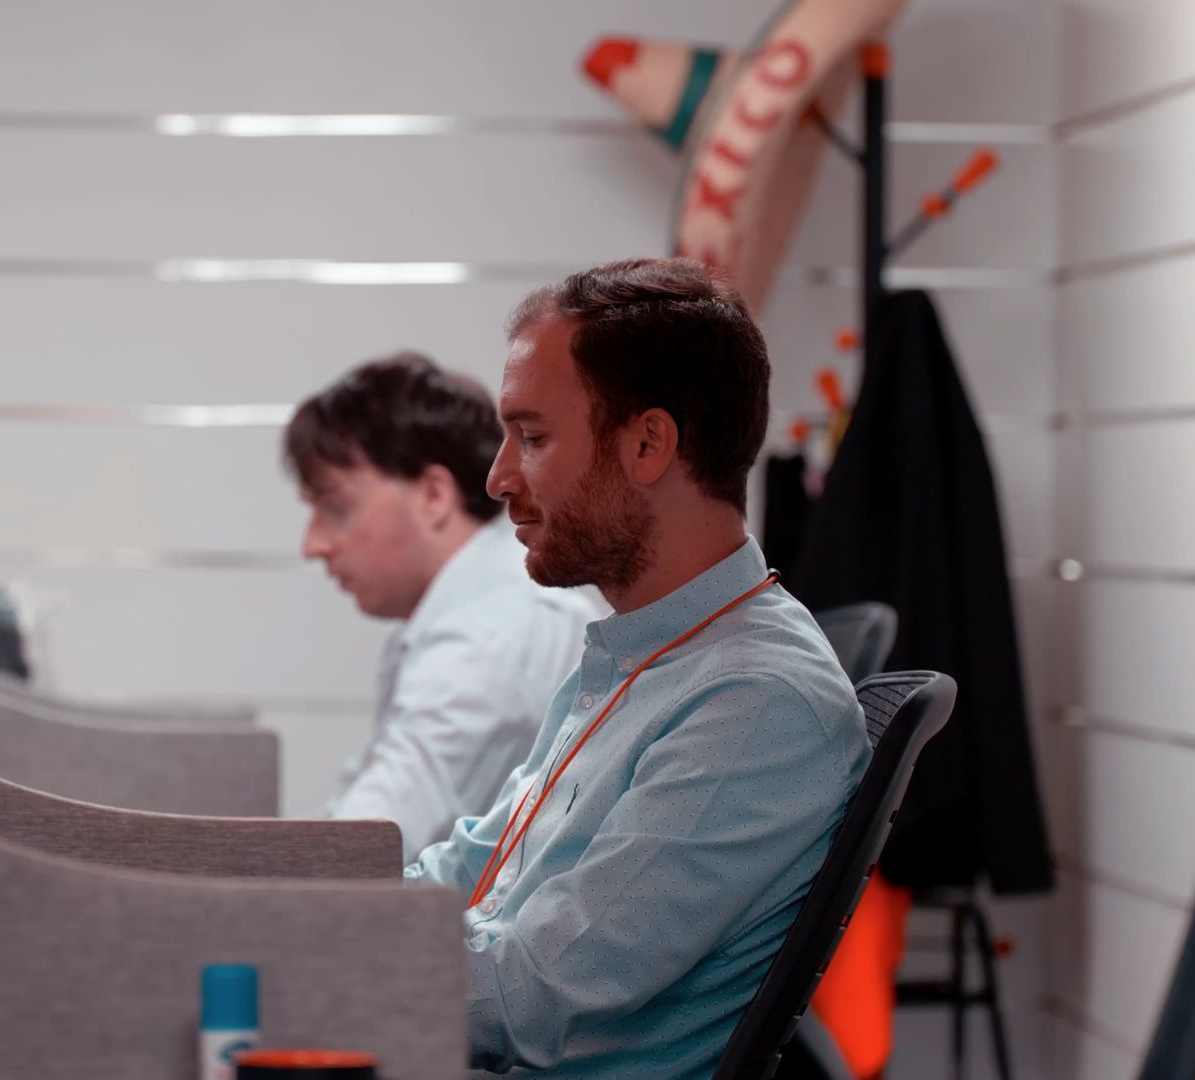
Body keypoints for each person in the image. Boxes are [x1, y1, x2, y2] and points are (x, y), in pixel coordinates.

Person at [405, 258, 871, 1078]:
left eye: (533, 437)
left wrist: (295, 952)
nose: (499, 478)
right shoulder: (643, 655)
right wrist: (284, 909)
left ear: (648, 444)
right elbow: (471, 872)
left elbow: (526, 993)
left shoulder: (755, 699)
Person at [286, 353, 600, 863]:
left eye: (336, 507)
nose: (313, 544)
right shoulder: (471, 612)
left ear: (433, 495)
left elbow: (358, 853)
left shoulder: (486, 638)